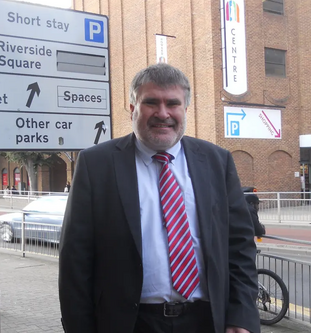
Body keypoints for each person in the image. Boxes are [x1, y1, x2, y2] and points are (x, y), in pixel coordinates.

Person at [59, 63, 259, 333]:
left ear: (185, 109)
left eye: (173, 104)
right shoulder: (96, 164)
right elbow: (75, 260)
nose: (163, 113)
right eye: (151, 102)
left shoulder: (216, 161)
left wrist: (241, 317)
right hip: (130, 323)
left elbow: (239, 247)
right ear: (133, 108)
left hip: (208, 320)